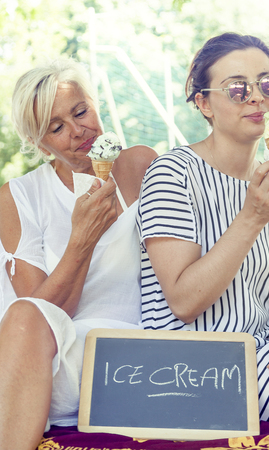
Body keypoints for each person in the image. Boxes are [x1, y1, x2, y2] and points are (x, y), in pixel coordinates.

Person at [137, 32, 269, 426]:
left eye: (266, 83)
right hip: (200, 366)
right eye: (237, 89)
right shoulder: (172, 173)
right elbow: (184, 302)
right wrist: (252, 218)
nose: (257, 96)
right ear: (204, 103)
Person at [0, 57, 157, 450]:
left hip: (138, 356)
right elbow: (40, 323)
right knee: (23, 313)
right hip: (56, 365)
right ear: (39, 144)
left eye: (81, 111)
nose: (78, 131)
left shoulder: (140, 165)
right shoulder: (18, 198)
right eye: (56, 128)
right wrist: (81, 239)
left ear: (95, 102)